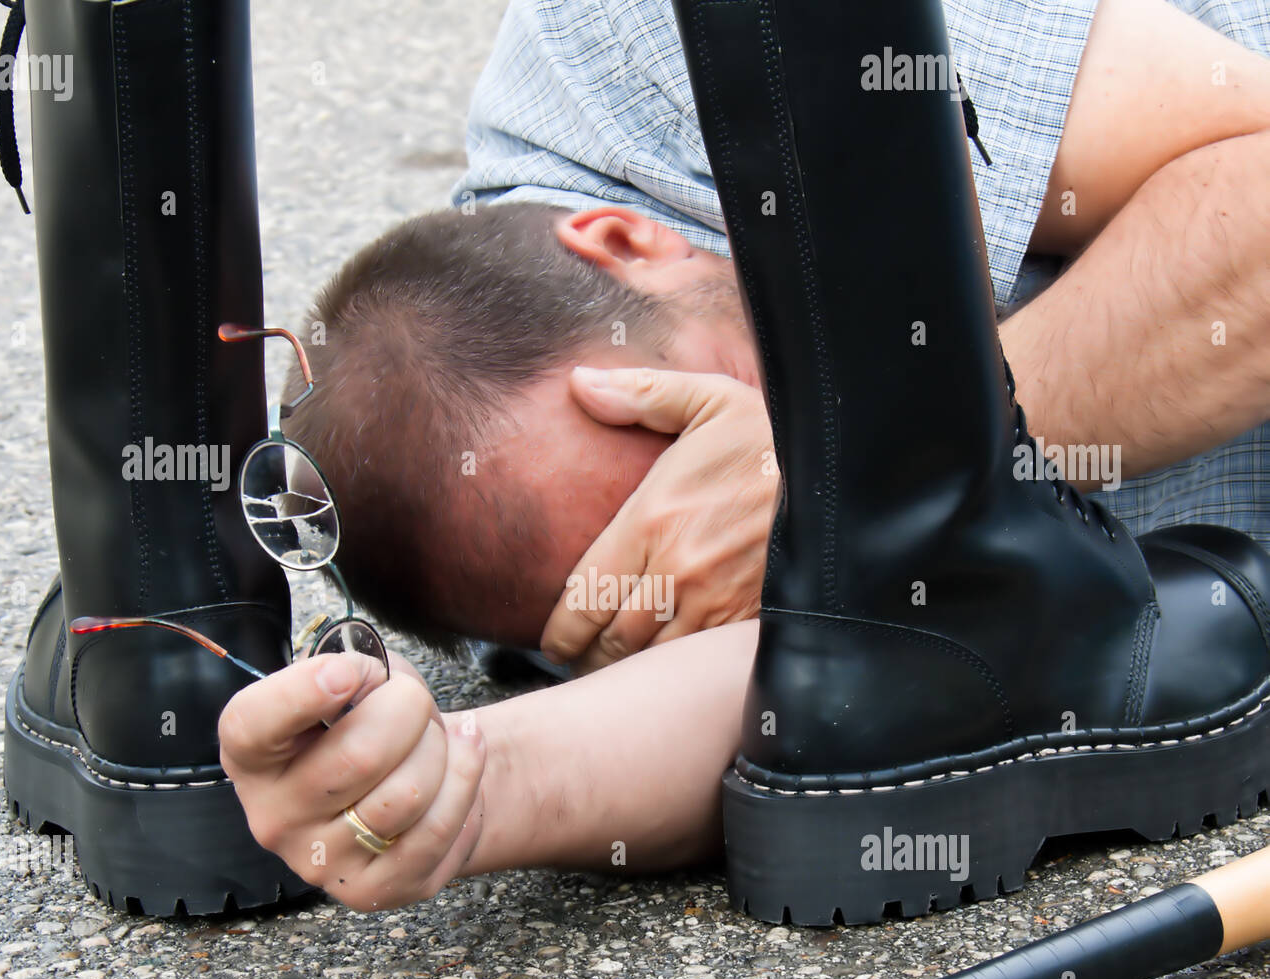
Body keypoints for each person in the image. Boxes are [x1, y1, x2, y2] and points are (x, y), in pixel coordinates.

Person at [282, 0, 1270, 678]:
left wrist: (868, 486)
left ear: (626, 246)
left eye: (701, 435)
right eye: (684, 582)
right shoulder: (565, 598)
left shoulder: (668, 46)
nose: (724, 546)